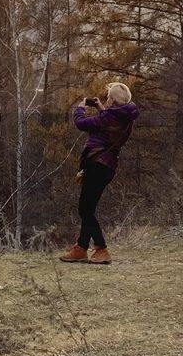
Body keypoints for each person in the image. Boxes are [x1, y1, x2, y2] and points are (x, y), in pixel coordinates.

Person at [59, 81, 139, 265]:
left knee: (85, 210)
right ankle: (81, 248)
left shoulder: (109, 118)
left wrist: (80, 109)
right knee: (89, 208)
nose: (107, 99)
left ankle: (101, 249)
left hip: (97, 165)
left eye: (109, 97)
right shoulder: (125, 118)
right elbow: (108, 122)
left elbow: (81, 124)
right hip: (106, 167)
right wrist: (102, 108)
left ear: (113, 100)